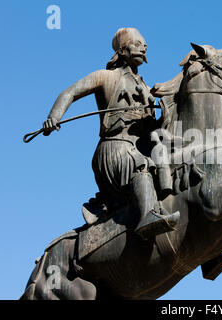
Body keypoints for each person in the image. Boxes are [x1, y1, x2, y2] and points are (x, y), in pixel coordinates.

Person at [42, 28, 179, 240]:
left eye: (145, 44)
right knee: (138, 164)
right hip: (115, 148)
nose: (144, 47)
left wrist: (164, 116)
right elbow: (69, 93)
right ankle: (146, 218)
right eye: (137, 43)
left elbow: (151, 129)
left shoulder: (146, 89)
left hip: (139, 146)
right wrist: (54, 117)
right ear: (122, 51)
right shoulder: (106, 77)